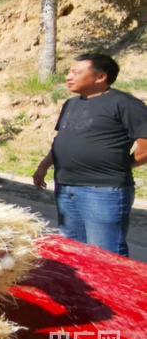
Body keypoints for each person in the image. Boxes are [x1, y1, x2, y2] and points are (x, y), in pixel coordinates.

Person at [33, 53, 147, 257]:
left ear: (100, 76)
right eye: (69, 71)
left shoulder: (125, 103)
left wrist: (122, 165)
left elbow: (145, 145)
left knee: (106, 254)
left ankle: (112, 290)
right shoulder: (71, 103)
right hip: (66, 186)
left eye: (76, 72)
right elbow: (62, 139)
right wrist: (43, 166)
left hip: (103, 190)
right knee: (71, 250)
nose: (69, 76)